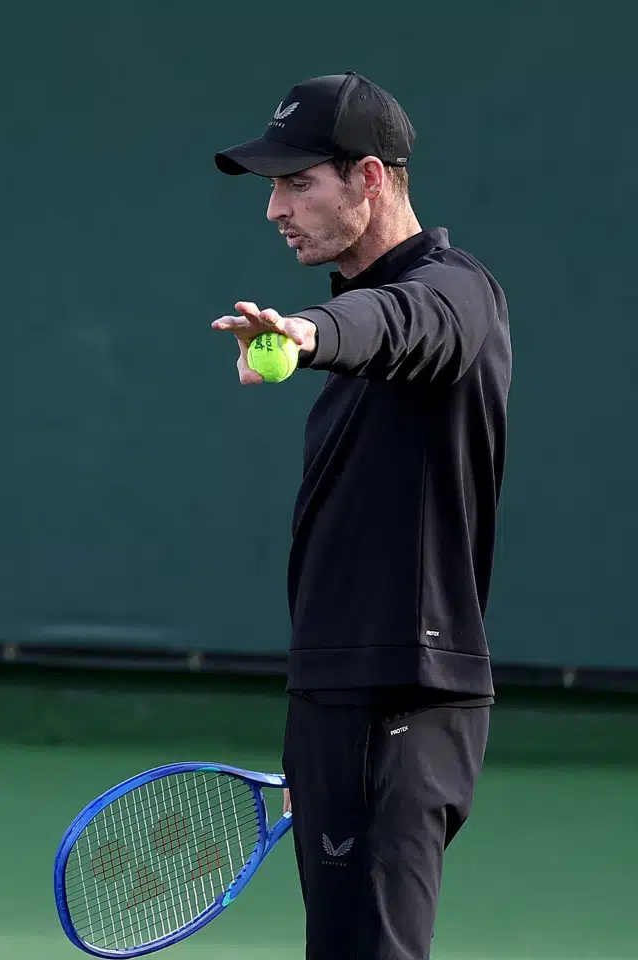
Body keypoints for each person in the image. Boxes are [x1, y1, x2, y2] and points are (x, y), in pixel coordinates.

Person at [209, 72, 510, 959]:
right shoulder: (353, 326)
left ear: (370, 178)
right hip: (343, 697)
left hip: (402, 697)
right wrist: (321, 726)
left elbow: (400, 318)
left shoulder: (456, 291)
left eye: (298, 182)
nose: (275, 209)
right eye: (273, 186)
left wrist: (304, 336)